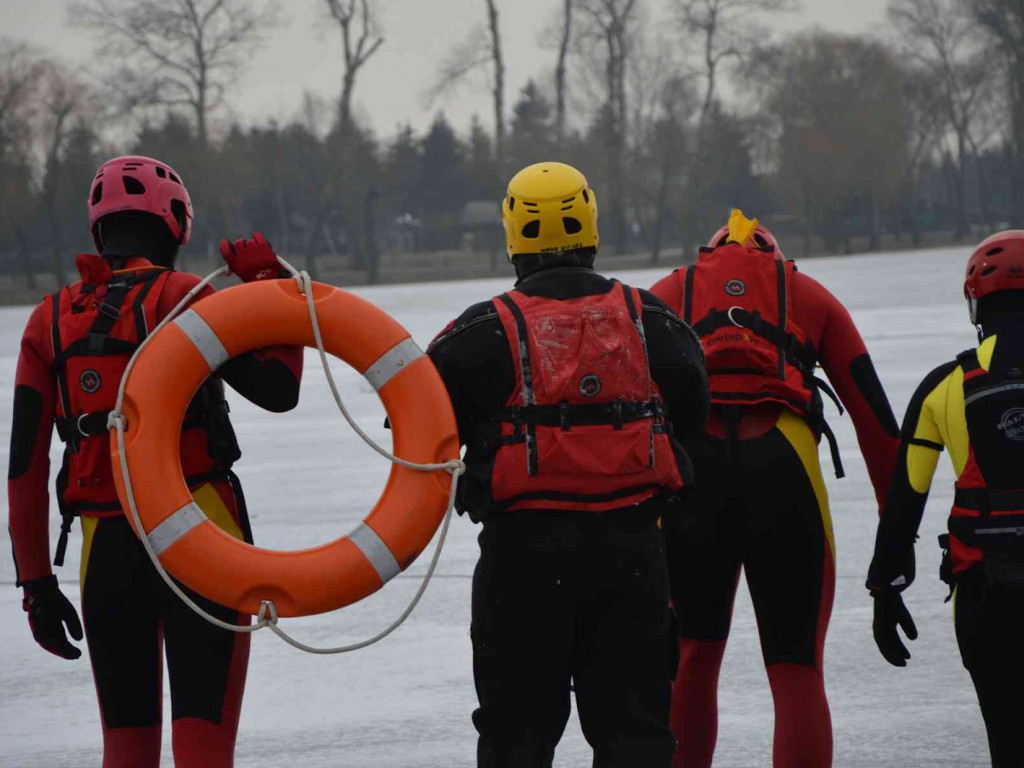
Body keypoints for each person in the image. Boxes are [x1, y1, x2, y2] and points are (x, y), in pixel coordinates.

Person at [8, 154, 303, 767]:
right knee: (203, 750)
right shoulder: (186, 296)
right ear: (176, 224)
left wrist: (37, 585)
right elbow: (280, 390)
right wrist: (267, 281)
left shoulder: (48, 321)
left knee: (125, 750)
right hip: (202, 542)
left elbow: (23, 469)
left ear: (99, 231)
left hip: (107, 555)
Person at [427, 161, 708, 767]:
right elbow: (692, 416)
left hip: (522, 566)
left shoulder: (476, 332)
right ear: (591, 226)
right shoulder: (653, 320)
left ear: (512, 234)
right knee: (634, 735)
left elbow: (414, 419)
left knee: (516, 739)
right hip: (632, 558)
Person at [650, 210, 901, 768]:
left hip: (696, 476)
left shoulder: (666, 294)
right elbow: (880, 429)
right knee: (797, 670)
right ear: (779, 260)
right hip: (784, 470)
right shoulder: (810, 296)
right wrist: (895, 538)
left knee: (691, 657)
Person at [867, 230, 1024, 768]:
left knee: (1008, 739)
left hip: (987, 594)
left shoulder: (946, 384)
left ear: (976, 301)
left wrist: (885, 589)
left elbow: (905, 499)